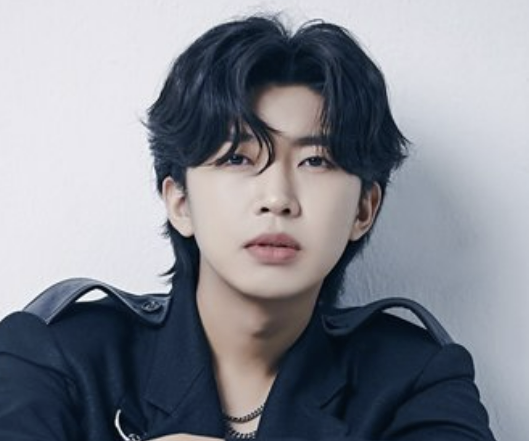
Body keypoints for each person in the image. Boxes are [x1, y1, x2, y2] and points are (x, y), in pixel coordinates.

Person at [0, 15, 495, 441]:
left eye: (316, 161)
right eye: (237, 157)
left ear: (364, 209)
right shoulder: (55, 354)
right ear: (180, 202)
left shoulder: (414, 377)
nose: (277, 198)